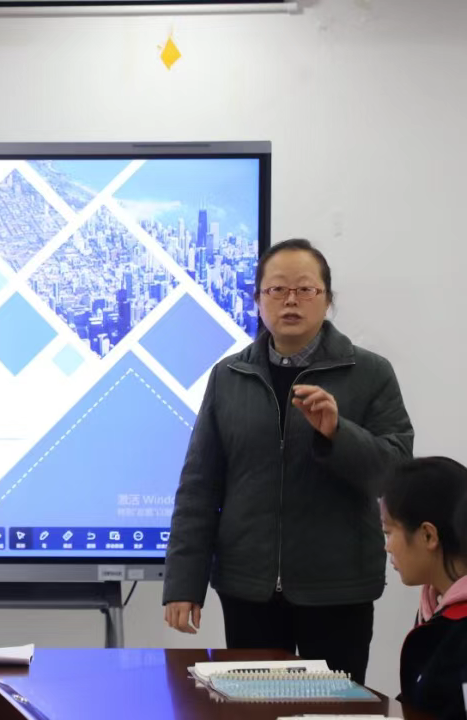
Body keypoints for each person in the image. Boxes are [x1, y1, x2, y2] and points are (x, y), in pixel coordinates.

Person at [162, 238, 414, 684]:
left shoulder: (370, 373)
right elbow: (199, 486)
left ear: (327, 299)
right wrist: (184, 584)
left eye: (305, 289)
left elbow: (394, 474)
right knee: (252, 709)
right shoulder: (229, 376)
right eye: (277, 289)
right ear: (258, 300)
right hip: (247, 588)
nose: (291, 300)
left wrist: (337, 433)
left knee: (333, 713)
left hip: (338, 588)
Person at [382, 457, 467, 720]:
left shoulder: (460, 628)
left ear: (428, 535)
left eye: (388, 532)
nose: (387, 547)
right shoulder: (435, 607)